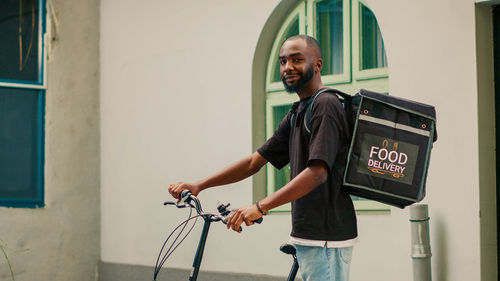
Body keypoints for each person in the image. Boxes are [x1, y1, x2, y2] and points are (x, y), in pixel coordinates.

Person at [168, 35, 357, 281]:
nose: (288, 67)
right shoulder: (299, 111)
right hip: (309, 235)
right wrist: (199, 185)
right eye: (283, 61)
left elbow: (318, 172)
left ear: (317, 65)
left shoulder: (326, 105)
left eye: (297, 60)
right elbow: (253, 162)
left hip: (326, 239)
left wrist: (260, 207)